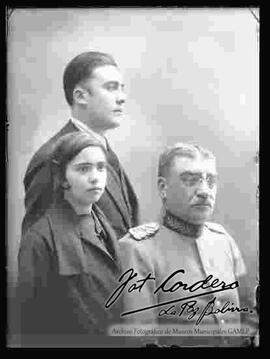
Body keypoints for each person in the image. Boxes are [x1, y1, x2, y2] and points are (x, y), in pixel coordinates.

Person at [118, 143, 258, 347]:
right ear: (163, 188)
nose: (204, 190)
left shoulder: (223, 240)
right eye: (190, 180)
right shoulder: (137, 249)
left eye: (211, 181)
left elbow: (248, 314)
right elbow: (142, 341)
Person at [17, 132, 125, 347]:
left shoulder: (104, 226)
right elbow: (32, 326)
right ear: (62, 177)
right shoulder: (40, 239)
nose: (95, 177)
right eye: (83, 169)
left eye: (101, 167)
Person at [22, 51, 139, 238]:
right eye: (111, 88)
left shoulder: (105, 151)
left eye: (121, 88)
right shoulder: (52, 157)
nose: (122, 97)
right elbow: (39, 248)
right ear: (80, 96)